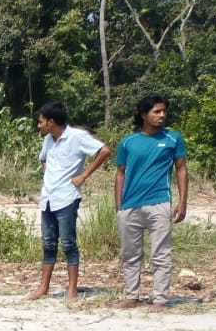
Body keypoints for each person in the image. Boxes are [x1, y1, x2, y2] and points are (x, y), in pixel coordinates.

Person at [26, 102, 111, 301]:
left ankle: (72, 290)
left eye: (41, 121)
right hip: (48, 198)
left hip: (67, 197)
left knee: (68, 244)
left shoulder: (77, 137)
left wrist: (83, 175)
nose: (39, 125)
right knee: (48, 243)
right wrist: (50, 174)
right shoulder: (48, 139)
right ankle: (43, 287)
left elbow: (104, 151)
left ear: (51, 122)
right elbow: (43, 159)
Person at [112, 95, 188, 313]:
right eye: (157, 111)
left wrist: (182, 201)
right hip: (130, 204)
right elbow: (120, 172)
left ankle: (160, 299)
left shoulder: (173, 139)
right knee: (130, 253)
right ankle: (131, 296)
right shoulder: (128, 142)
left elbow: (181, 169)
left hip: (159, 202)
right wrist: (119, 204)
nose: (162, 115)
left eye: (164, 111)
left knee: (161, 253)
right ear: (144, 115)